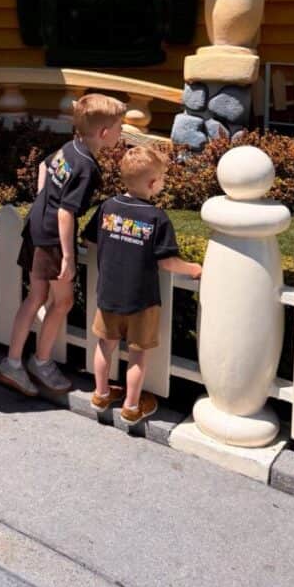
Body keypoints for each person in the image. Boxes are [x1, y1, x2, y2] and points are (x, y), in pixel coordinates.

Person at [0, 94, 127, 397]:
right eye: (120, 127)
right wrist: (68, 257)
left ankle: (14, 362)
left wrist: (44, 199)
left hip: (35, 228)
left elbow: (45, 167)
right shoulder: (87, 168)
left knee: (37, 296)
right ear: (104, 132)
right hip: (53, 239)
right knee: (62, 301)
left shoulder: (70, 148)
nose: (122, 133)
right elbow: (67, 212)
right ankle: (38, 362)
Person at [87, 145, 202, 423]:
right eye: (162, 178)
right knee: (138, 355)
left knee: (105, 345)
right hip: (142, 301)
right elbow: (168, 263)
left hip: (109, 295)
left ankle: (101, 394)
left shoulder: (108, 208)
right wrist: (195, 269)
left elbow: (89, 238)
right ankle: (131, 405)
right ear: (152, 183)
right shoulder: (156, 218)